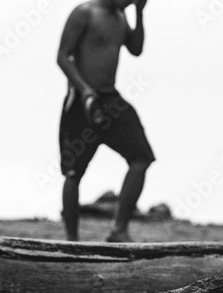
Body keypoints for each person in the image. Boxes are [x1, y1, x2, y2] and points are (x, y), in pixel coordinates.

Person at [57, 0, 154, 242]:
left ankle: (118, 230)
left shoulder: (121, 16)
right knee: (73, 171)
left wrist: (139, 13)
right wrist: (85, 91)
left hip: (111, 100)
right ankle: (72, 240)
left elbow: (136, 49)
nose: (129, 3)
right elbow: (62, 57)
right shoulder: (84, 13)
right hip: (81, 102)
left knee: (141, 158)